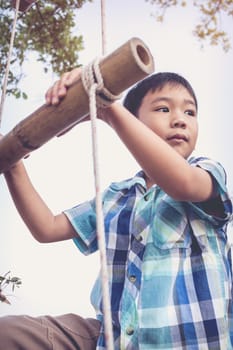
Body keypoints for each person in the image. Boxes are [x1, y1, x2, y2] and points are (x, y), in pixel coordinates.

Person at [0, 68, 232, 350]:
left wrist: (108, 109)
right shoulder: (116, 197)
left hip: (187, 342)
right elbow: (46, 227)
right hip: (112, 338)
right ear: (134, 123)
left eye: (190, 113)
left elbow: (182, 183)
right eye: (163, 108)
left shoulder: (206, 173)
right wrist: (13, 166)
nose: (180, 120)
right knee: (9, 334)